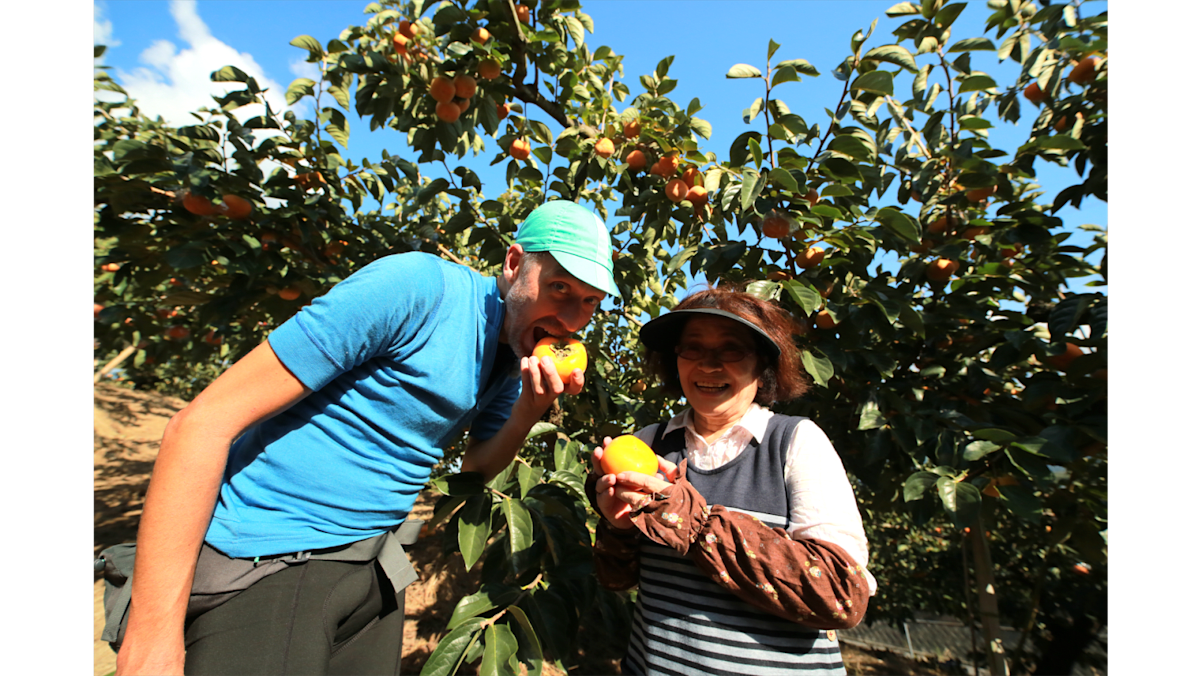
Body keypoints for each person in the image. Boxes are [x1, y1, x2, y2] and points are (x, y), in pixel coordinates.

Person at [113, 200, 621, 676]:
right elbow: (201, 423)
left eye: (590, 302)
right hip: (275, 552)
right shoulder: (419, 288)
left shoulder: (513, 355)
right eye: (559, 289)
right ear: (514, 262)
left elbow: (475, 472)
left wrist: (529, 411)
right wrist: (151, 633)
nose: (573, 320)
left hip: (373, 563)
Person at [590, 285, 877, 676]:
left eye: (731, 349)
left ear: (762, 364)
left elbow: (841, 593)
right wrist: (618, 528)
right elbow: (618, 580)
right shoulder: (650, 444)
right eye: (692, 348)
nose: (708, 365)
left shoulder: (794, 442)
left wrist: (693, 522)